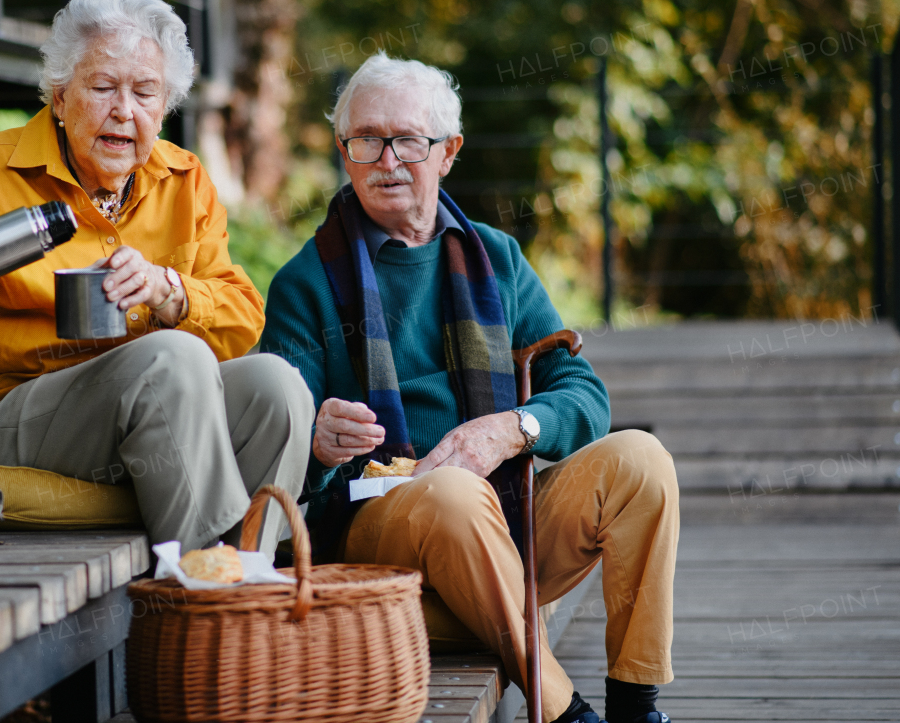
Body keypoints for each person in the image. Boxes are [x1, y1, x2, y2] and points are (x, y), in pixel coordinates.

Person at [0, 0, 312, 557]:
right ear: (60, 95)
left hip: (151, 411)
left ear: (165, 105)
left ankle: (251, 573)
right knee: (174, 359)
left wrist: (168, 290)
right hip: (2, 418)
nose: (124, 110)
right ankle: (204, 588)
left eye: (145, 92)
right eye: (103, 87)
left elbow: (242, 319)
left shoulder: (184, 179)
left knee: (277, 388)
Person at [260, 53, 677, 723]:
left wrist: (511, 428)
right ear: (344, 154)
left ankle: (637, 703)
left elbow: (581, 389)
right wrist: (316, 437)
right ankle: (566, 713)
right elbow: (270, 449)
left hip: (504, 522)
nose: (387, 159)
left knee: (642, 461)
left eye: (408, 140)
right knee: (452, 490)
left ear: (448, 151)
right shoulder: (305, 282)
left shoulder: (497, 258)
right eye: (366, 140)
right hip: (378, 543)